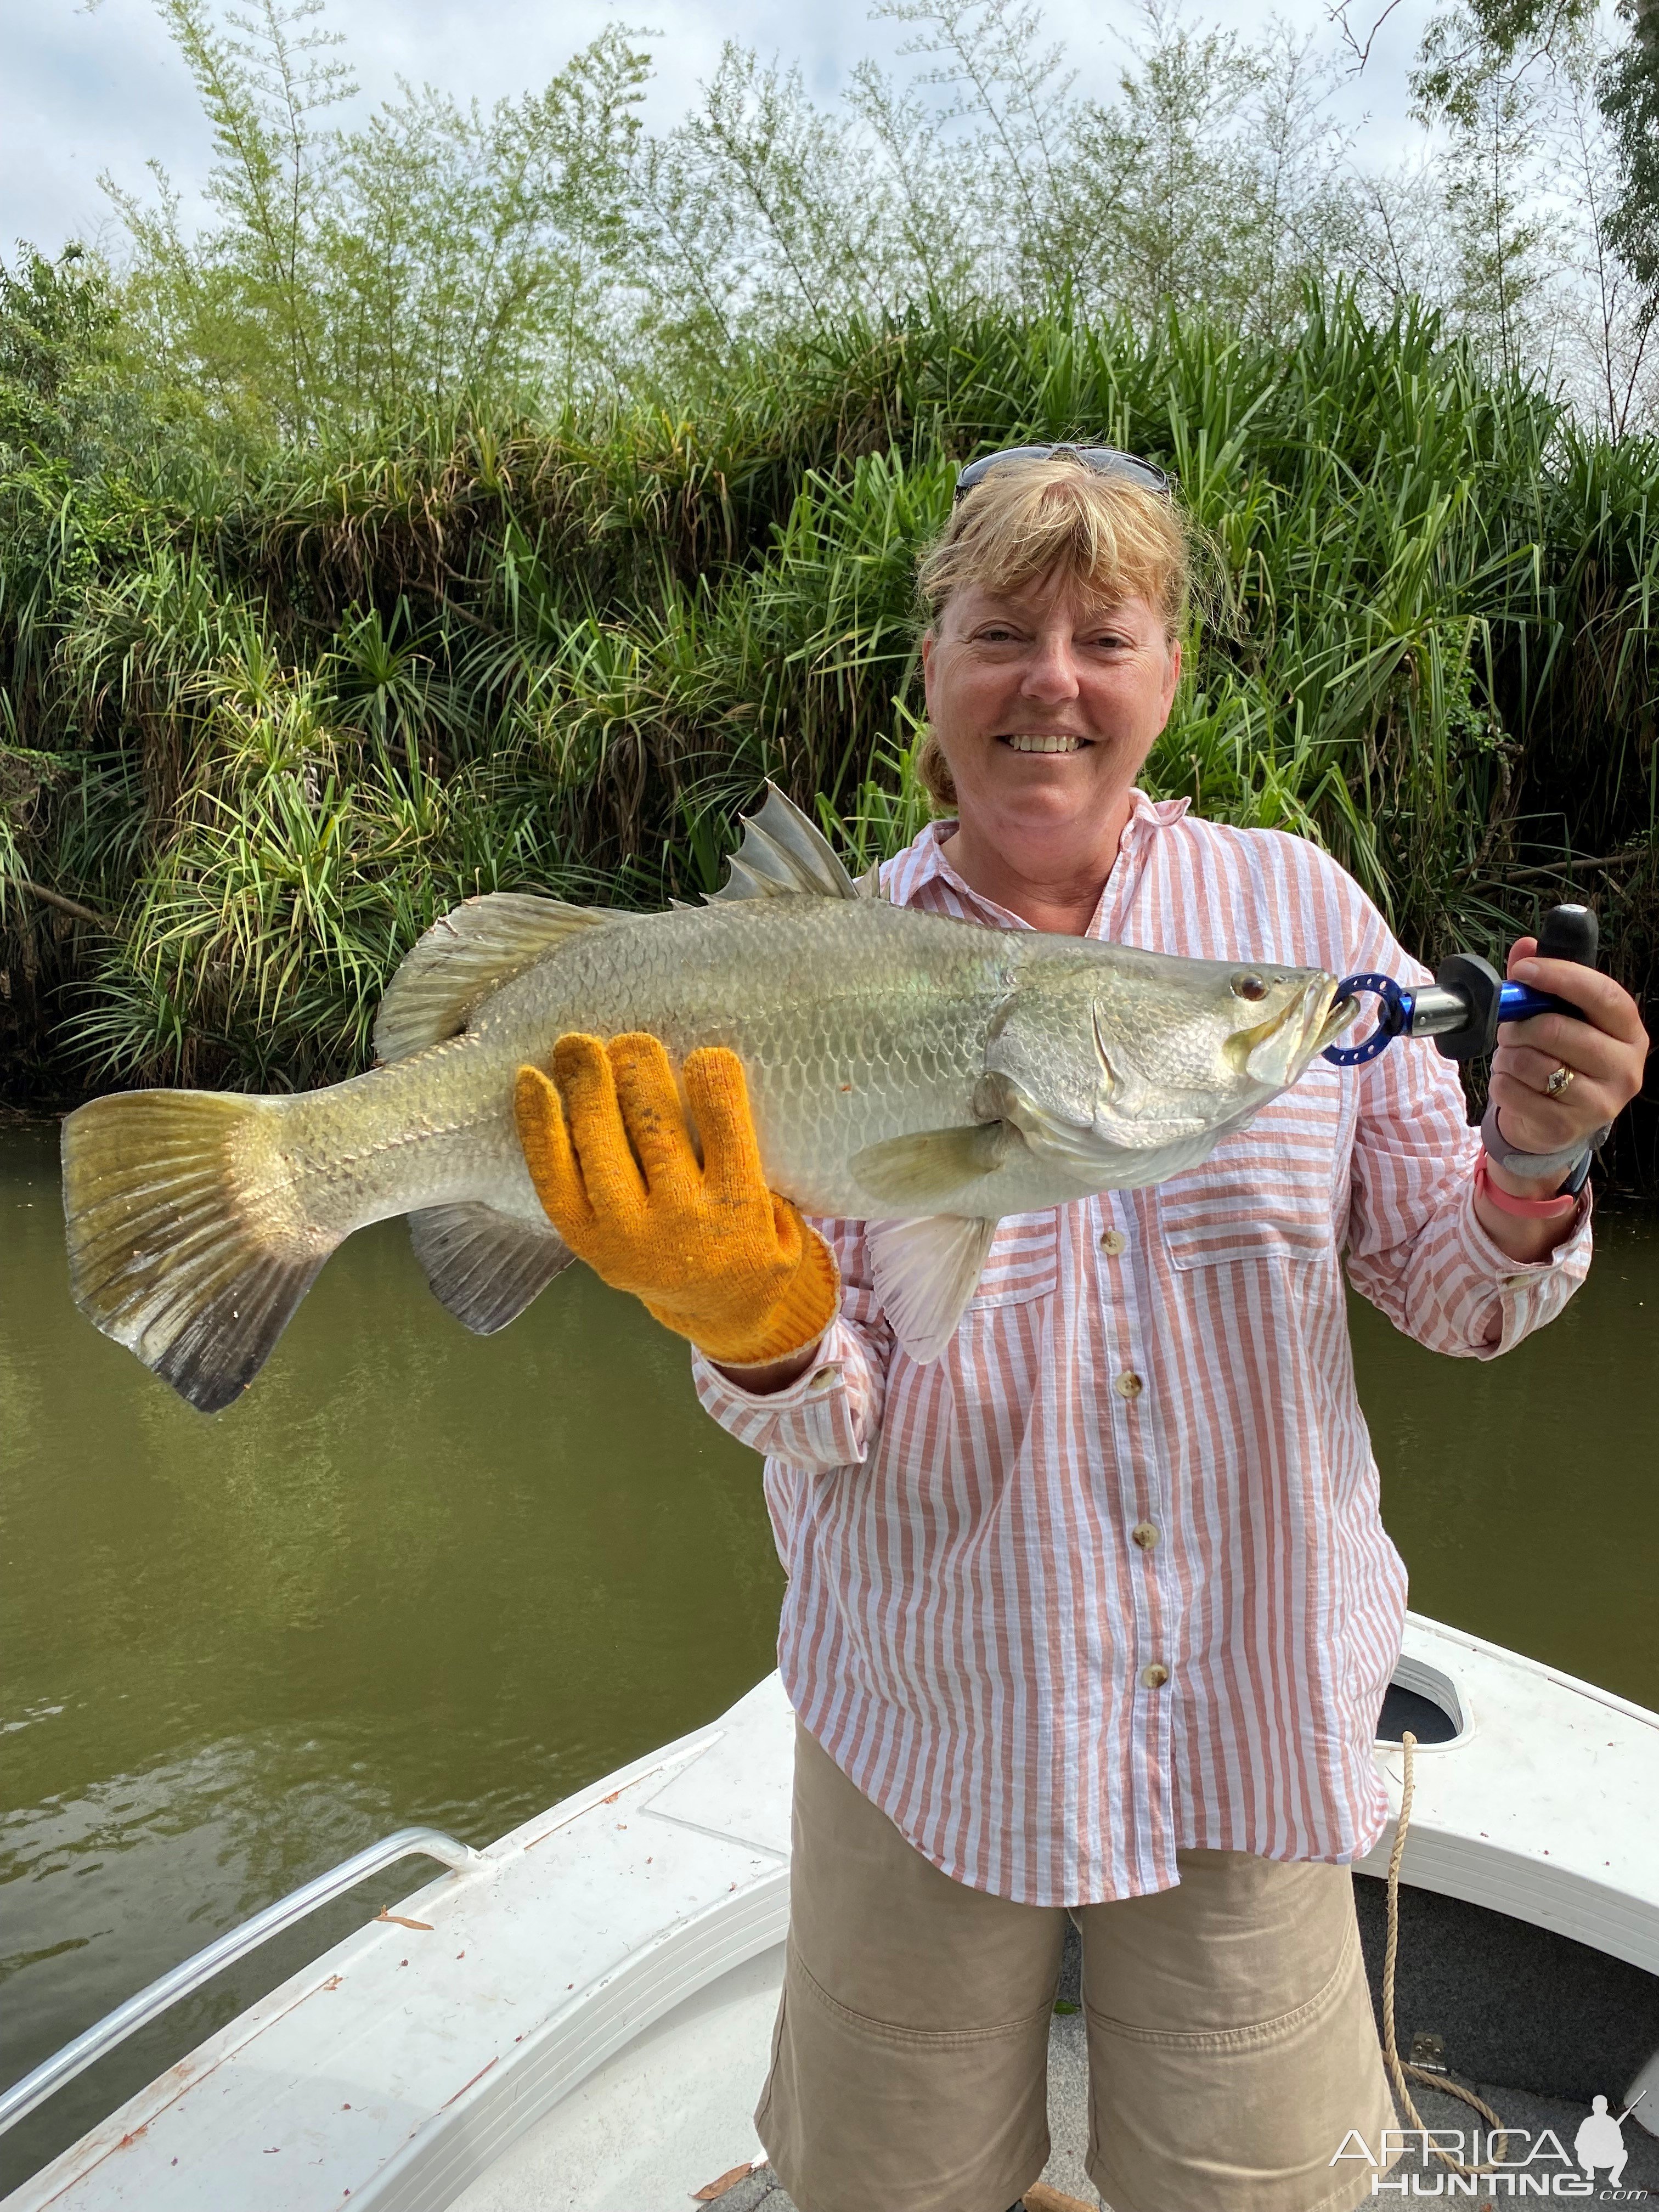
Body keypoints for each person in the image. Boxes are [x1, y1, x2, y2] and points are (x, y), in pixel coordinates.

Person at [513, 448, 1650, 2212]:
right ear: (932, 672)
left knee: (1258, 2192)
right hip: (930, 1710)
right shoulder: (813, 962)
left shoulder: (1296, 927)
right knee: (884, 2190)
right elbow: (831, 1411)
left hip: (1251, 1716)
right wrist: (750, 1316)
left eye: (1104, 635)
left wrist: (1530, 1160)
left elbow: (1452, 1284)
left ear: (1168, 675)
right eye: (1001, 632)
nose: (1053, 679)